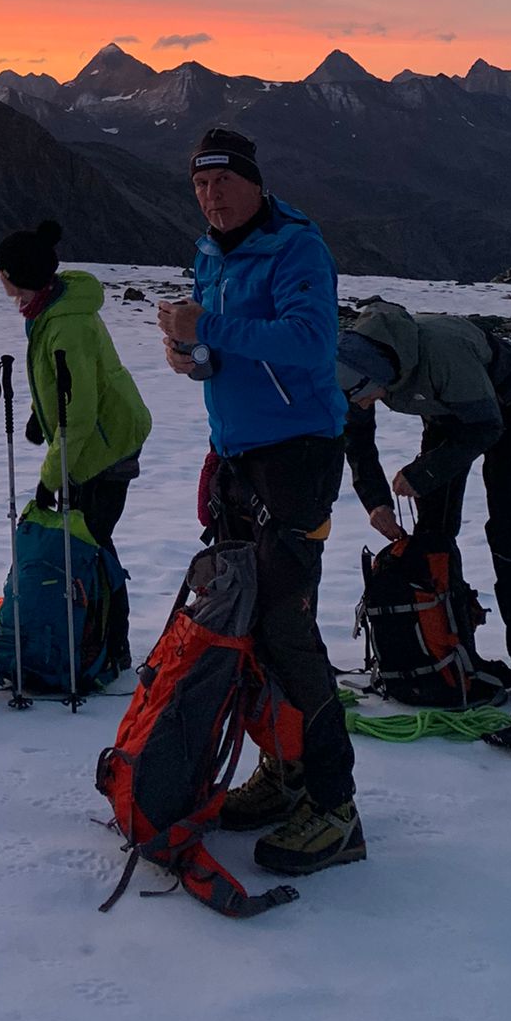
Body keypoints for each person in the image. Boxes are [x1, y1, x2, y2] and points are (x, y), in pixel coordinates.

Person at [159, 127, 365, 879]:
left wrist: (206, 327)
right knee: (247, 626)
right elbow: (233, 355)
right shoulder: (210, 252)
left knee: (287, 630)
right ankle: (286, 772)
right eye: (199, 186)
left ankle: (335, 807)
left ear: (252, 181)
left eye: (222, 182)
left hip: (298, 458)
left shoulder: (294, 246)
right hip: (241, 456)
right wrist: (194, 357)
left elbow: (311, 343)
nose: (211, 196)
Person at [337, 300, 511, 703]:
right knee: (433, 534)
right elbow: (357, 439)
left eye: (368, 396)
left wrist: (424, 472)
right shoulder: (354, 370)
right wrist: (376, 501)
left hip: (500, 402)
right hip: (443, 410)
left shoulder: (443, 354)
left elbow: (489, 426)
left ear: (384, 378)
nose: (363, 404)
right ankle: (450, 646)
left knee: (507, 527)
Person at [0, 219, 151, 673]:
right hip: (91, 441)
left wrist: (49, 479)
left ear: (18, 276)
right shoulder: (49, 308)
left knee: (93, 544)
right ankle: (97, 635)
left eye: (4, 275)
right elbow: (65, 388)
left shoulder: (66, 327)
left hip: (108, 445)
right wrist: (38, 416)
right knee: (92, 540)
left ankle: (108, 645)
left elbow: (78, 413)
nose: (1, 284)